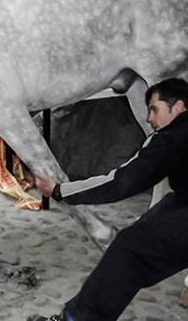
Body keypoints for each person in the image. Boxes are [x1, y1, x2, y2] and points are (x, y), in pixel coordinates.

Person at [28, 77, 188, 321]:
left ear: (178, 107)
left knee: (129, 249)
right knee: (161, 212)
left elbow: (121, 181)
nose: (149, 119)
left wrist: (61, 190)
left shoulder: (173, 136)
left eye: (154, 109)